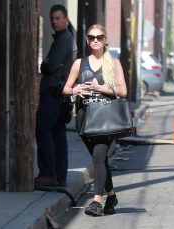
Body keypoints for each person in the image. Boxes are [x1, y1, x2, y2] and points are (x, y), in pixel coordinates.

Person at [62, 24, 127, 216]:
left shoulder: (113, 63)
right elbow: (65, 89)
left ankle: (96, 202)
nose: (95, 40)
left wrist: (100, 88)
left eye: (99, 37)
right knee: (100, 161)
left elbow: (123, 91)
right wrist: (74, 90)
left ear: (105, 39)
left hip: (107, 119)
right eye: (91, 37)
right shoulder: (79, 63)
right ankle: (112, 196)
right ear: (87, 40)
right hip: (85, 118)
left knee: (99, 157)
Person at [34, 4, 77, 187]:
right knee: (58, 135)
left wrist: (46, 64)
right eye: (52, 18)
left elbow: (49, 67)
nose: (54, 21)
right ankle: (59, 177)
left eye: (58, 18)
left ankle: (48, 174)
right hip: (58, 94)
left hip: (54, 94)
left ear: (66, 20)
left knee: (43, 131)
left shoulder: (65, 39)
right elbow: (51, 65)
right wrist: (49, 63)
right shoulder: (62, 39)